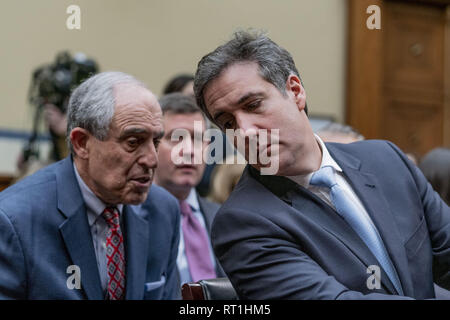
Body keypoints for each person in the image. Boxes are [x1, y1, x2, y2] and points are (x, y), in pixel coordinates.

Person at [193, 30, 450, 299]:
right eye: (228, 123)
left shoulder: (385, 160)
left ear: (295, 91)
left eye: (254, 105)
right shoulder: (242, 222)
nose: (244, 131)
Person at [0, 71, 180, 300]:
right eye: (133, 142)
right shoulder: (14, 220)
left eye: (155, 142)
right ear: (82, 143)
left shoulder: (164, 211)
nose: (152, 159)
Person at [151, 92, 226, 284]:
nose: (189, 151)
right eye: (176, 138)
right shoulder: (127, 218)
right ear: (152, 145)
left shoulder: (224, 217)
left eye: (198, 139)